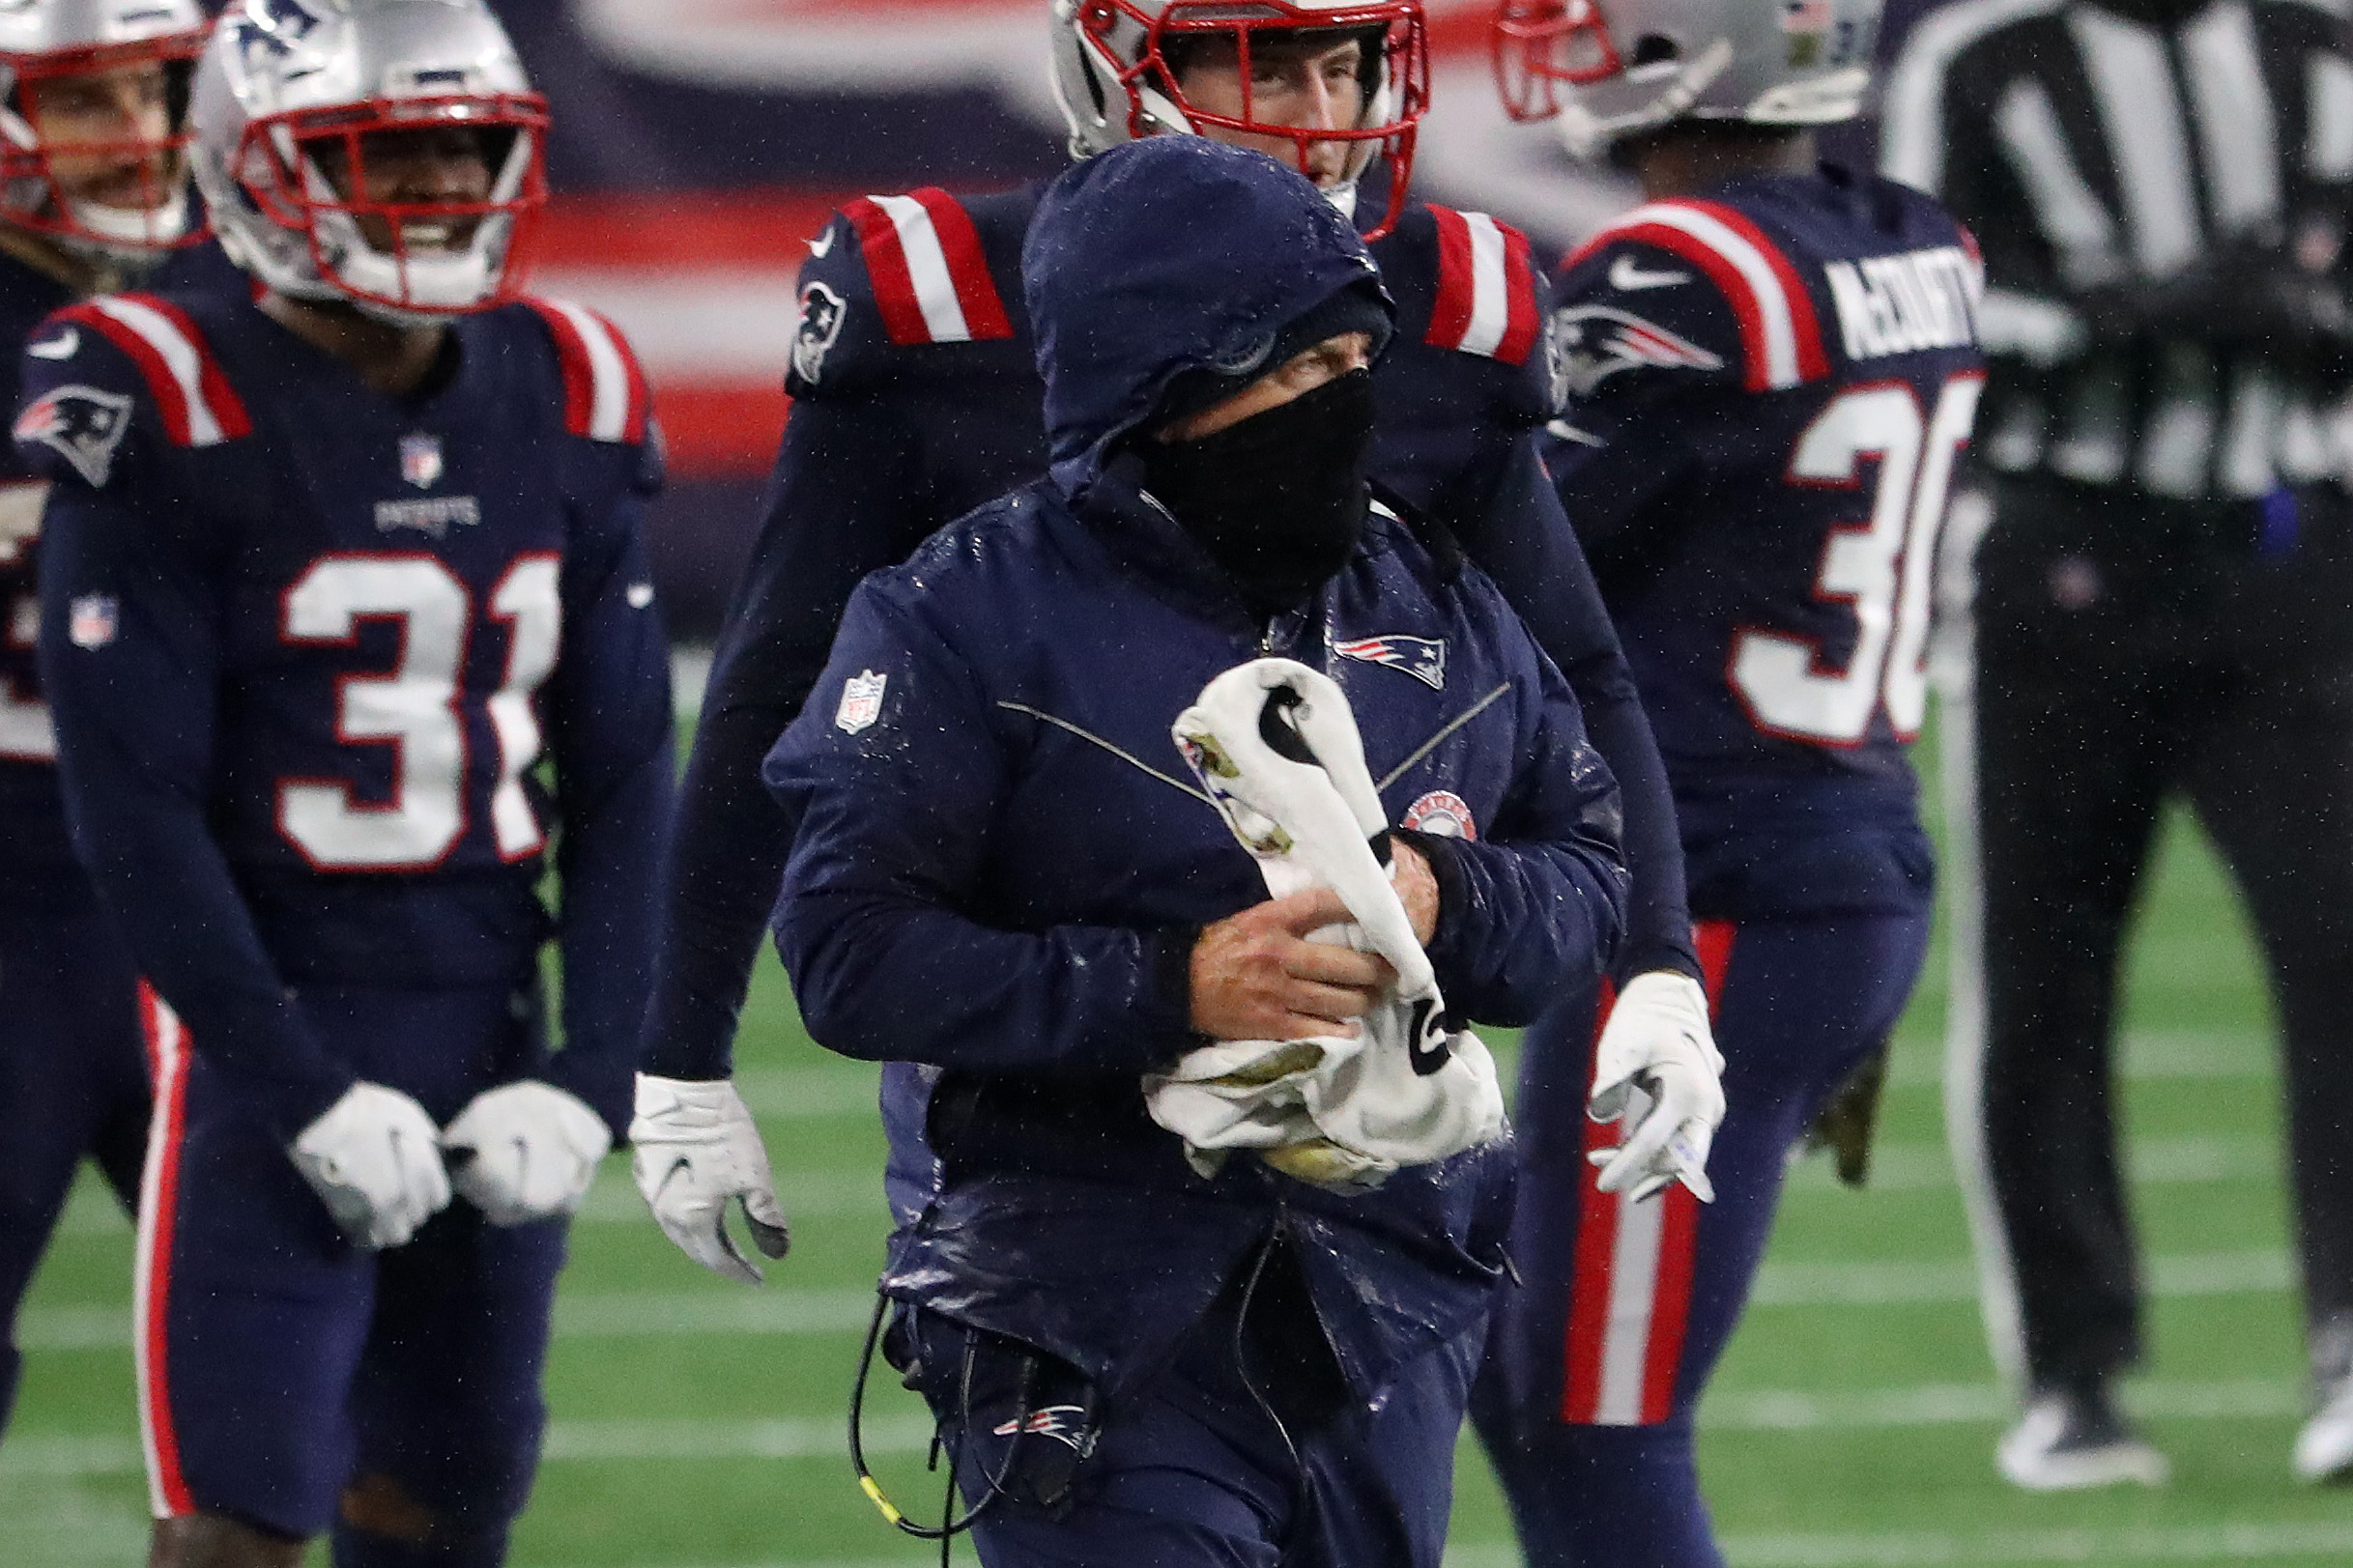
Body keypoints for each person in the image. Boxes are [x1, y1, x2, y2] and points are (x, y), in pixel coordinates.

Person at [633, 0, 1721, 1288]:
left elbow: (1575, 670)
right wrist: (683, 1053)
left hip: (1360, 1027)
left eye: (1348, 64)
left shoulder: (1444, 302)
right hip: (1049, 1058)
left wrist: (1656, 964)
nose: (1322, 120)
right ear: (1115, 74)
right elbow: (776, 673)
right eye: (1264, 68)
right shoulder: (939, 301)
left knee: (1376, 1436)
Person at [761, 131, 1628, 1567]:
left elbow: (1586, 875)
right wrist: (1171, 984)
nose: (1343, 406)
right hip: (1081, 1293)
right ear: (1160, 391)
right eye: (1297, 374)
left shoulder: (1435, 591)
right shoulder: (959, 620)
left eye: (1357, 366)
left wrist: (1445, 893)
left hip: (1389, 1293)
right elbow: (851, 956)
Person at [24, 2, 674, 1563]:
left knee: (443, 1515)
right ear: (258, 169)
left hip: (487, 1007)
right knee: (236, 1531)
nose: (445, 188)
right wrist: (296, 1083)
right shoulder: (160, 385)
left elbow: (631, 766)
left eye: (471, 150)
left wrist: (593, 1076)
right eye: (392, 154)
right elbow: (132, 803)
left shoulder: (570, 375)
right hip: (268, 1033)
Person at [1469, 0, 1986, 1561]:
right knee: (1543, 1391)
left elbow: (1522, 558)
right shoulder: (1909, 236)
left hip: (1722, 900)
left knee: (1595, 1420)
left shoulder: (1684, 272)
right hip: (1825, 853)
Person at [1883, 0, 2353, 1489]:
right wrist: (2130, 315)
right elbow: (1925, 298)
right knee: (2044, 973)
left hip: (2287, 543)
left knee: (2342, 949)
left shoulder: (2319, 46)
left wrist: (2304, 310)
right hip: (2059, 556)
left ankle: (2352, 1344)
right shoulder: (1985, 57)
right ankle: (2071, 1374)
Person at [0, 0, 212, 1446]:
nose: (137, 130)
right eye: (88, 99)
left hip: (202, 906)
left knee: (277, 1389)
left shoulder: (236, 304)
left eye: (160, 87)